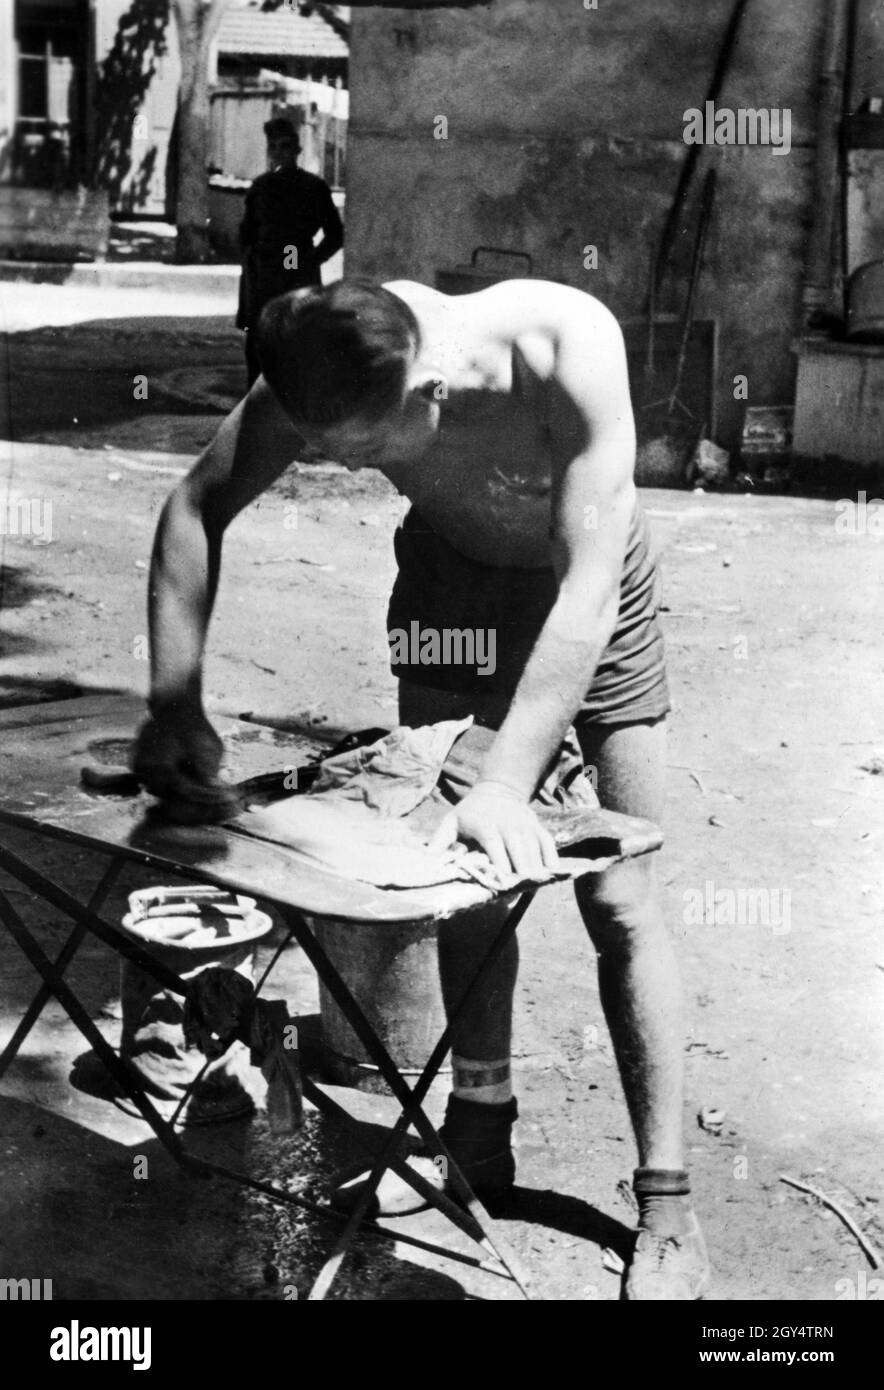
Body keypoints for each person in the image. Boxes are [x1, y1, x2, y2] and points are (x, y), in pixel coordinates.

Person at [134, 278, 710, 1300]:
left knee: (619, 895)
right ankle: (476, 1139)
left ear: (432, 388)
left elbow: (585, 593)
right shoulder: (333, 352)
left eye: (367, 450)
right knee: (459, 881)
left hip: (591, 593)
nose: (352, 468)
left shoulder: (565, 347)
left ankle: (667, 1203)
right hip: (452, 590)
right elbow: (193, 506)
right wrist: (175, 703)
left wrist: (505, 781)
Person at [236, 116, 343, 387]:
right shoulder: (260, 187)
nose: (279, 153)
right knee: (258, 344)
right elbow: (246, 232)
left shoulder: (314, 187)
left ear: (297, 150)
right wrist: (252, 260)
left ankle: (293, 405)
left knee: (296, 341)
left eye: (285, 146)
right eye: (273, 147)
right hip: (261, 277)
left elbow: (335, 234)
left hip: (296, 274)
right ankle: (255, 402)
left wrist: (310, 261)